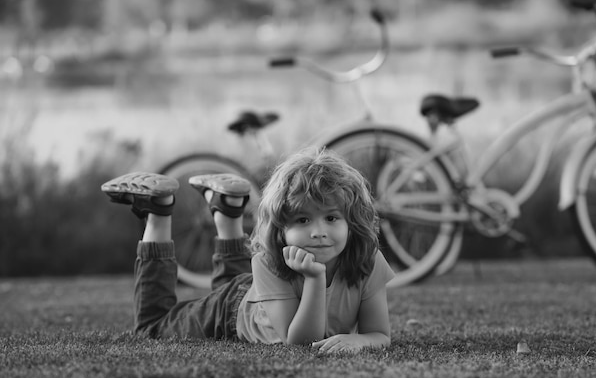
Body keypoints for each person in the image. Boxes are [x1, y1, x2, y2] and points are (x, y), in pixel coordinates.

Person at [101, 147, 395, 354]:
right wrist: (315, 279)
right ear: (281, 229)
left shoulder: (366, 259)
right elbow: (302, 343)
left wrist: (361, 341)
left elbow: (379, 333)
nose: (318, 231)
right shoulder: (270, 261)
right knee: (152, 328)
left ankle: (227, 207)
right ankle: (157, 212)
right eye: (302, 219)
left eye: (331, 218)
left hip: (257, 295)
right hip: (230, 312)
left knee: (236, 281)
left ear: (351, 221)